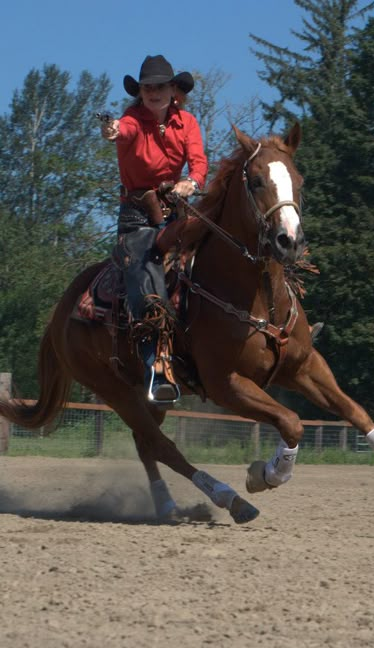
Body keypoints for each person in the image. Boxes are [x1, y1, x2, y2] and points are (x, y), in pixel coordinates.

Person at [101, 54, 208, 403]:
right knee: (147, 286)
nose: (154, 92)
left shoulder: (188, 122)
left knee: (219, 253)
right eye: (148, 88)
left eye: (160, 86)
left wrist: (192, 182)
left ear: (174, 90)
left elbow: (199, 161)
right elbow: (123, 131)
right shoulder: (131, 120)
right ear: (140, 92)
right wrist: (113, 128)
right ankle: (156, 370)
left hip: (176, 213)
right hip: (136, 218)